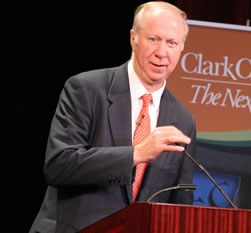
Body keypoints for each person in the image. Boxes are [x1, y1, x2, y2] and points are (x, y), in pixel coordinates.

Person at [29, 2, 196, 233]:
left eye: (171, 43)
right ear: (133, 39)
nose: (162, 53)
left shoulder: (183, 121)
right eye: (153, 39)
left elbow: (179, 204)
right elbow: (59, 165)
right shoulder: (86, 89)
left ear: (181, 48)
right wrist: (136, 154)